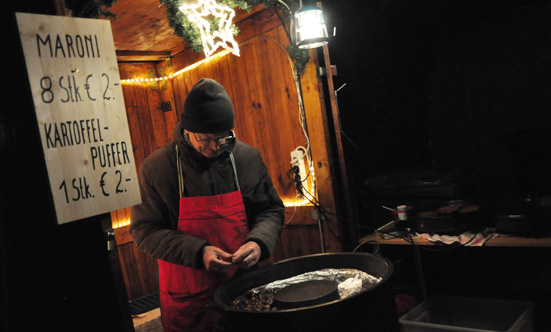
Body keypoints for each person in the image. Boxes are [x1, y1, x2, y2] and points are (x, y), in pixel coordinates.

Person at [130, 78, 285, 332]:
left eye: (223, 138)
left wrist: (259, 242)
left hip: (245, 292)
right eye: (205, 138)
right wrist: (198, 252)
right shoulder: (157, 168)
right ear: (186, 130)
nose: (214, 147)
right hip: (189, 300)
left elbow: (271, 210)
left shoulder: (247, 158)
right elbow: (144, 231)